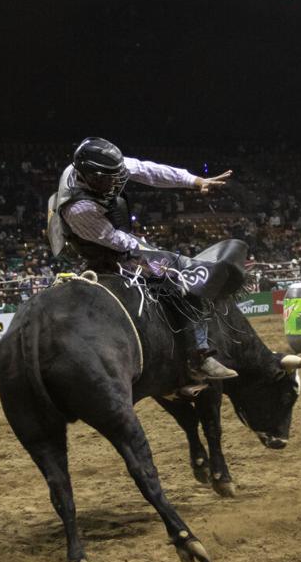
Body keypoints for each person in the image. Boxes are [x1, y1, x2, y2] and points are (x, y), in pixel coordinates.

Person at [46, 136, 237, 381]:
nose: (118, 182)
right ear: (92, 177)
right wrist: (155, 253)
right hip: (102, 248)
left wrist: (195, 181)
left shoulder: (99, 169)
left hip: (104, 232)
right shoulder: (79, 208)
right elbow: (115, 241)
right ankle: (198, 357)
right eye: (110, 179)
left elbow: (148, 171)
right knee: (180, 284)